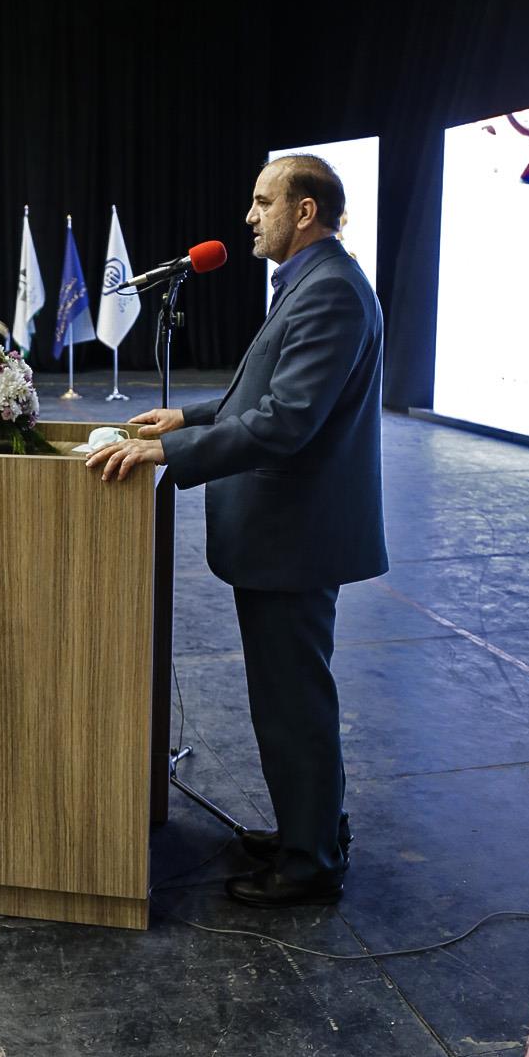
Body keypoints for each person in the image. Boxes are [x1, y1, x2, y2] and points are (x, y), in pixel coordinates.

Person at [88, 154, 384, 909]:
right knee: (287, 697)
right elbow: (263, 391)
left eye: (263, 202)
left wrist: (167, 451)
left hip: (297, 538)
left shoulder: (331, 294)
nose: (249, 217)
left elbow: (286, 421)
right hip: (287, 536)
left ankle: (312, 861)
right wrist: (186, 417)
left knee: (294, 702)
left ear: (306, 211)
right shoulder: (312, 284)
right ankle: (305, 830)